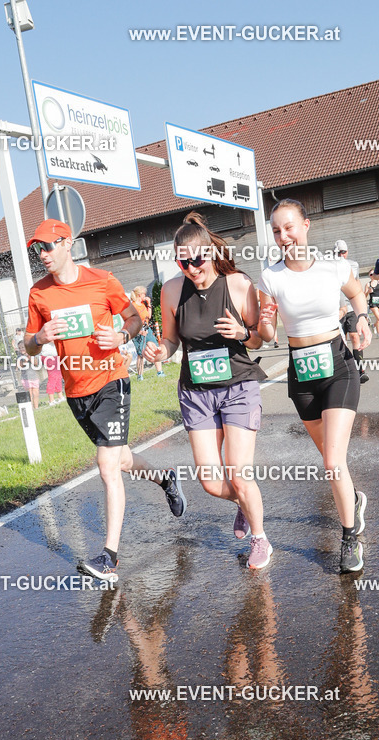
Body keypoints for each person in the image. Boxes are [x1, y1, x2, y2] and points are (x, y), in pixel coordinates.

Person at [24, 218, 186, 583]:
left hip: (111, 382)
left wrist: (120, 336)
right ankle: (165, 479)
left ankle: (108, 557)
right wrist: (40, 337)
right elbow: (28, 346)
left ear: (68, 244)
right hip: (75, 392)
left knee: (107, 465)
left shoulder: (103, 281)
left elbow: (134, 320)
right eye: (38, 249)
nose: (43, 254)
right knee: (122, 457)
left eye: (48, 246)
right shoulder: (39, 294)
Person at [146, 210, 271, 569]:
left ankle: (260, 540)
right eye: (183, 263)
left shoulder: (237, 285)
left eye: (197, 260)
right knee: (211, 483)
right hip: (196, 394)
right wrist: (161, 352)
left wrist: (243, 333)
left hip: (238, 387)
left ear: (210, 254)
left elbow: (260, 339)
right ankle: (244, 505)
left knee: (239, 473)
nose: (192, 269)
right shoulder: (171, 290)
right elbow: (170, 341)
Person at [257, 199, 370, 574]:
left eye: (289, 227)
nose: (283, 236)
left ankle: (350, 538)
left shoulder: (333, 267)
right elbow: (266, 333)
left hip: (338, 368)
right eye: (276, 230)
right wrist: (265, 322)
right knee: (332, 461)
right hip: (301, 377)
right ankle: (353, 499)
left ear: (306, 226)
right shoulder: (270, 277)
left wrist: (362, 318)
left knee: (332, 462)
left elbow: (356, 293)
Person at [336, 239, 369, 385]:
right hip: (336, 309)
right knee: (341, 342)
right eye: (338, 252)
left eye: (343, 252)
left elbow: (357, 288)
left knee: (355, 337)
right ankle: (345, 371)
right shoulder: (330, 266)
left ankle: (360, 370)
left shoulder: (354, 265)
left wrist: (363, 313)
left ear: (347, 252)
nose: (341, 254)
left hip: (351, 308)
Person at [130, 286, 164, 380]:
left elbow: (148, 316)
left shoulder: (142, 304)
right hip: (137, 331)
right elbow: (131, 322)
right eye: (144, 294)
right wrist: (140, 332)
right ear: (139, 294)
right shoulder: (133, 306)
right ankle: (140, 376)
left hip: (147, 328)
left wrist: (149, 304)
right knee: (141, 354)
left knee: (155, 348)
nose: (145, 296)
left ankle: (160, 372)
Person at [17, 339, 40, 409]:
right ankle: (31, 408)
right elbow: (20, 365)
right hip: (26, 378)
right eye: (19, 348)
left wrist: (29, 357)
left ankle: (36, 407)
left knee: (36, 394)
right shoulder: (20, 356)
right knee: (29, 394)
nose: (21, 349)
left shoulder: (31, 354)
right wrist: (25, 360)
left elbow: (36, 363)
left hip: (34, 377)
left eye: (23, 347)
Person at [40, 339, 64, 404]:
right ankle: (51, 400)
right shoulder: (46, 330)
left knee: (59, 376)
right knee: (52, 377)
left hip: (55, 355)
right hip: (48, 356)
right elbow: (51, 339)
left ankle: (60, 396)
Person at [365, 272, 379, 338]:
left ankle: (374, 325)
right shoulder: (368, 284)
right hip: (373, 303)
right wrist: (368, 291)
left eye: (373, 273)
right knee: (378, 318)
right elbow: (364, 295)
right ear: (369, 276)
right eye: (371, 274)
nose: (372, 275)